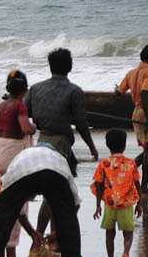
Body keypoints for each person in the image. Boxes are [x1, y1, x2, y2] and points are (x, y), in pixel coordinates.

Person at [0, 143, 84, 257]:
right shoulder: (59, 159)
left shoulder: (21, 157)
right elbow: (74, 204)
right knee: (67, 217)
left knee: (0, 217)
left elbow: (16, 209)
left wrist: (32, 232)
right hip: (53, 173)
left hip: (22, 172)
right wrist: (59, 231)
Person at [0, 70, 41, 257]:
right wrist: (34, 127)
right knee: (16, 205)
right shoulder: (20, 106)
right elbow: (24, 128)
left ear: (7, 88)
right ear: (24, 90)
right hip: (12, 159)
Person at [26, 47, 99, 175]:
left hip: (41, 140)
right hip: (62, 143)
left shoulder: (35, 89)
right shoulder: (75, 91)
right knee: (59, 182)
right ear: (70, 67)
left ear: (50, 67)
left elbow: (24, 113)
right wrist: (92, 147)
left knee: (45, 180)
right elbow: (81, 124)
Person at [92, 129, 142, 257]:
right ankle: (126, 252)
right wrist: (139, 204)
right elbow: (137, 183)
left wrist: (98, 206)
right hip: (126, 204)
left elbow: (99, 184)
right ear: (124, 146)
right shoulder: (131, 163)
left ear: (108, 145)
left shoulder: (104, 163)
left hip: (110, 203)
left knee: (110, 233)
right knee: (128, 232)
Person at [116, 44, 148, 196]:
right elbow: (145, 94)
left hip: (136, 113)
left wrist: (117, 90)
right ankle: (144, 188)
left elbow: (119, 92)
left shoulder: (131, 73)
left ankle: (127, 173)